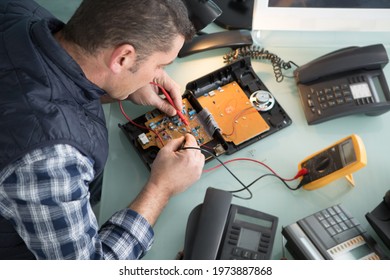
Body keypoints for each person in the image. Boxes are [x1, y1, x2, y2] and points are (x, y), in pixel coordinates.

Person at [0, 0, 205, 260]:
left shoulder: (19, 10)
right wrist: (161, 188)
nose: (159, 75)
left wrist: (122, 84)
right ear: (122, 57)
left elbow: (44, 87)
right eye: (160, 65)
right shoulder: (50, 160)